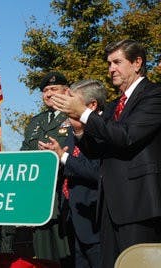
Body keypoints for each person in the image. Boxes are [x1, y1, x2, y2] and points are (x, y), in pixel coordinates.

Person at [52, 39, 161, 267]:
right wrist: (80, 129)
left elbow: (126, 136)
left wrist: (83, 113)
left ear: (137, 63)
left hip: (139, 205)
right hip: (108, 207)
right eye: (109, 63)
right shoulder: (113, 106)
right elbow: (96, 150)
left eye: (117, 62)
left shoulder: (153, 95)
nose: (111, 68)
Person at [40, 79, 106, 268]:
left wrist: (63, 157)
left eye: (72, 103)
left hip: (95, 223)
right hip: (73, 220)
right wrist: (55, 156)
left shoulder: (105, 129)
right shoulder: (72, 129)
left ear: (91, 105)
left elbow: (96, 172)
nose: (67, 108)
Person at [20, 71, 72, 265]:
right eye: (45, 90)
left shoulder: (73, 117)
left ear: (66, 91)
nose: (48, 94)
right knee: (43, 259)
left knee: (66, 255)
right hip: (39, 200)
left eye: (54, 89)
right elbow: (25, 152)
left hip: (63, 196)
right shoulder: (35, 122)